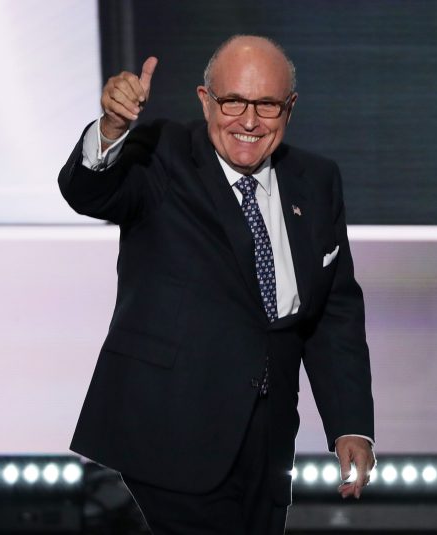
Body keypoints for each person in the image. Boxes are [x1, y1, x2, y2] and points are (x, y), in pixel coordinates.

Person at [59, 35, 375, 535]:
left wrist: (350, 423)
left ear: (289, 108)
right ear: (205, 100)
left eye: (267, 105)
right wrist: (114, 129)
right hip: (173, 426)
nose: (249, 122)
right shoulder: (163, 154)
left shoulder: (316, 180)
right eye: (233, 102)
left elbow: (332, 312)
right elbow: (90, 191)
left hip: (268, 441)